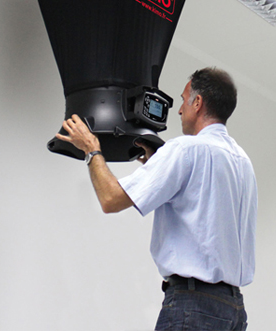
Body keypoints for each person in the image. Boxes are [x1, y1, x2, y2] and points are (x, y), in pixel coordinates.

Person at [56, 67, 258, 331]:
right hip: (233, 311)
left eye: (184, 101)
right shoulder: (243, 162)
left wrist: (91, 149)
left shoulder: (185, 149)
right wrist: (159, 167)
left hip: (193, 307)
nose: (180, 110)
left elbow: (110, 199)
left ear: (197, 103)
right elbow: (204, 206)